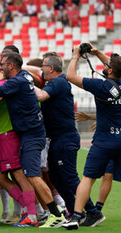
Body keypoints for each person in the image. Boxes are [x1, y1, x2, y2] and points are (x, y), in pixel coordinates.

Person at [0, 52, 67, 228]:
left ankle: (49, 213)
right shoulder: (23, 76)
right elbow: (35, 74)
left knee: (30, 175)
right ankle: (41, 211)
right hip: (26, 134)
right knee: (6, 176)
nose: (1, 67)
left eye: (3, 64)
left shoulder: (14, 82)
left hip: (23, 135)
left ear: (11, 66)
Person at [33, 52, 100, 223]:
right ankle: (74, 211)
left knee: (69, 177)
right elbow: (32, 69)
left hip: (65, 138)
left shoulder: (58, 82)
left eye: (44, 66)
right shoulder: (55, 81)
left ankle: (92, 212)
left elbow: (41, 96)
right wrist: (23, 73)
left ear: (52, 68)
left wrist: (23, 81)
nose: (41, 69)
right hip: (58, 138)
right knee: (56, 177)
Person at [63, 44, 121, 230]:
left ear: (110, 70)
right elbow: (114, 66)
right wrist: (96, 52)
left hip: (104, 141)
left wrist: (75, 56)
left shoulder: (101, 85)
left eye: (107, 64)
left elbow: (70, 76)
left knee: (88, 178)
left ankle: (77, 216)